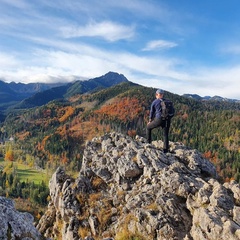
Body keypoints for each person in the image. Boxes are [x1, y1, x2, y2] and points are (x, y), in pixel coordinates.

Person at [146, 89, 173, 153]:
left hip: (158, 119)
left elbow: (152, 112)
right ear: (162, 95)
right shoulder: (167, 101)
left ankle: (148, 143)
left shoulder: (155, 102)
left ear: (157, 95)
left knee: (148, 127)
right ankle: (165, 150)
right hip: (167, 120)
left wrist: (150, 120)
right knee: (165, 134)